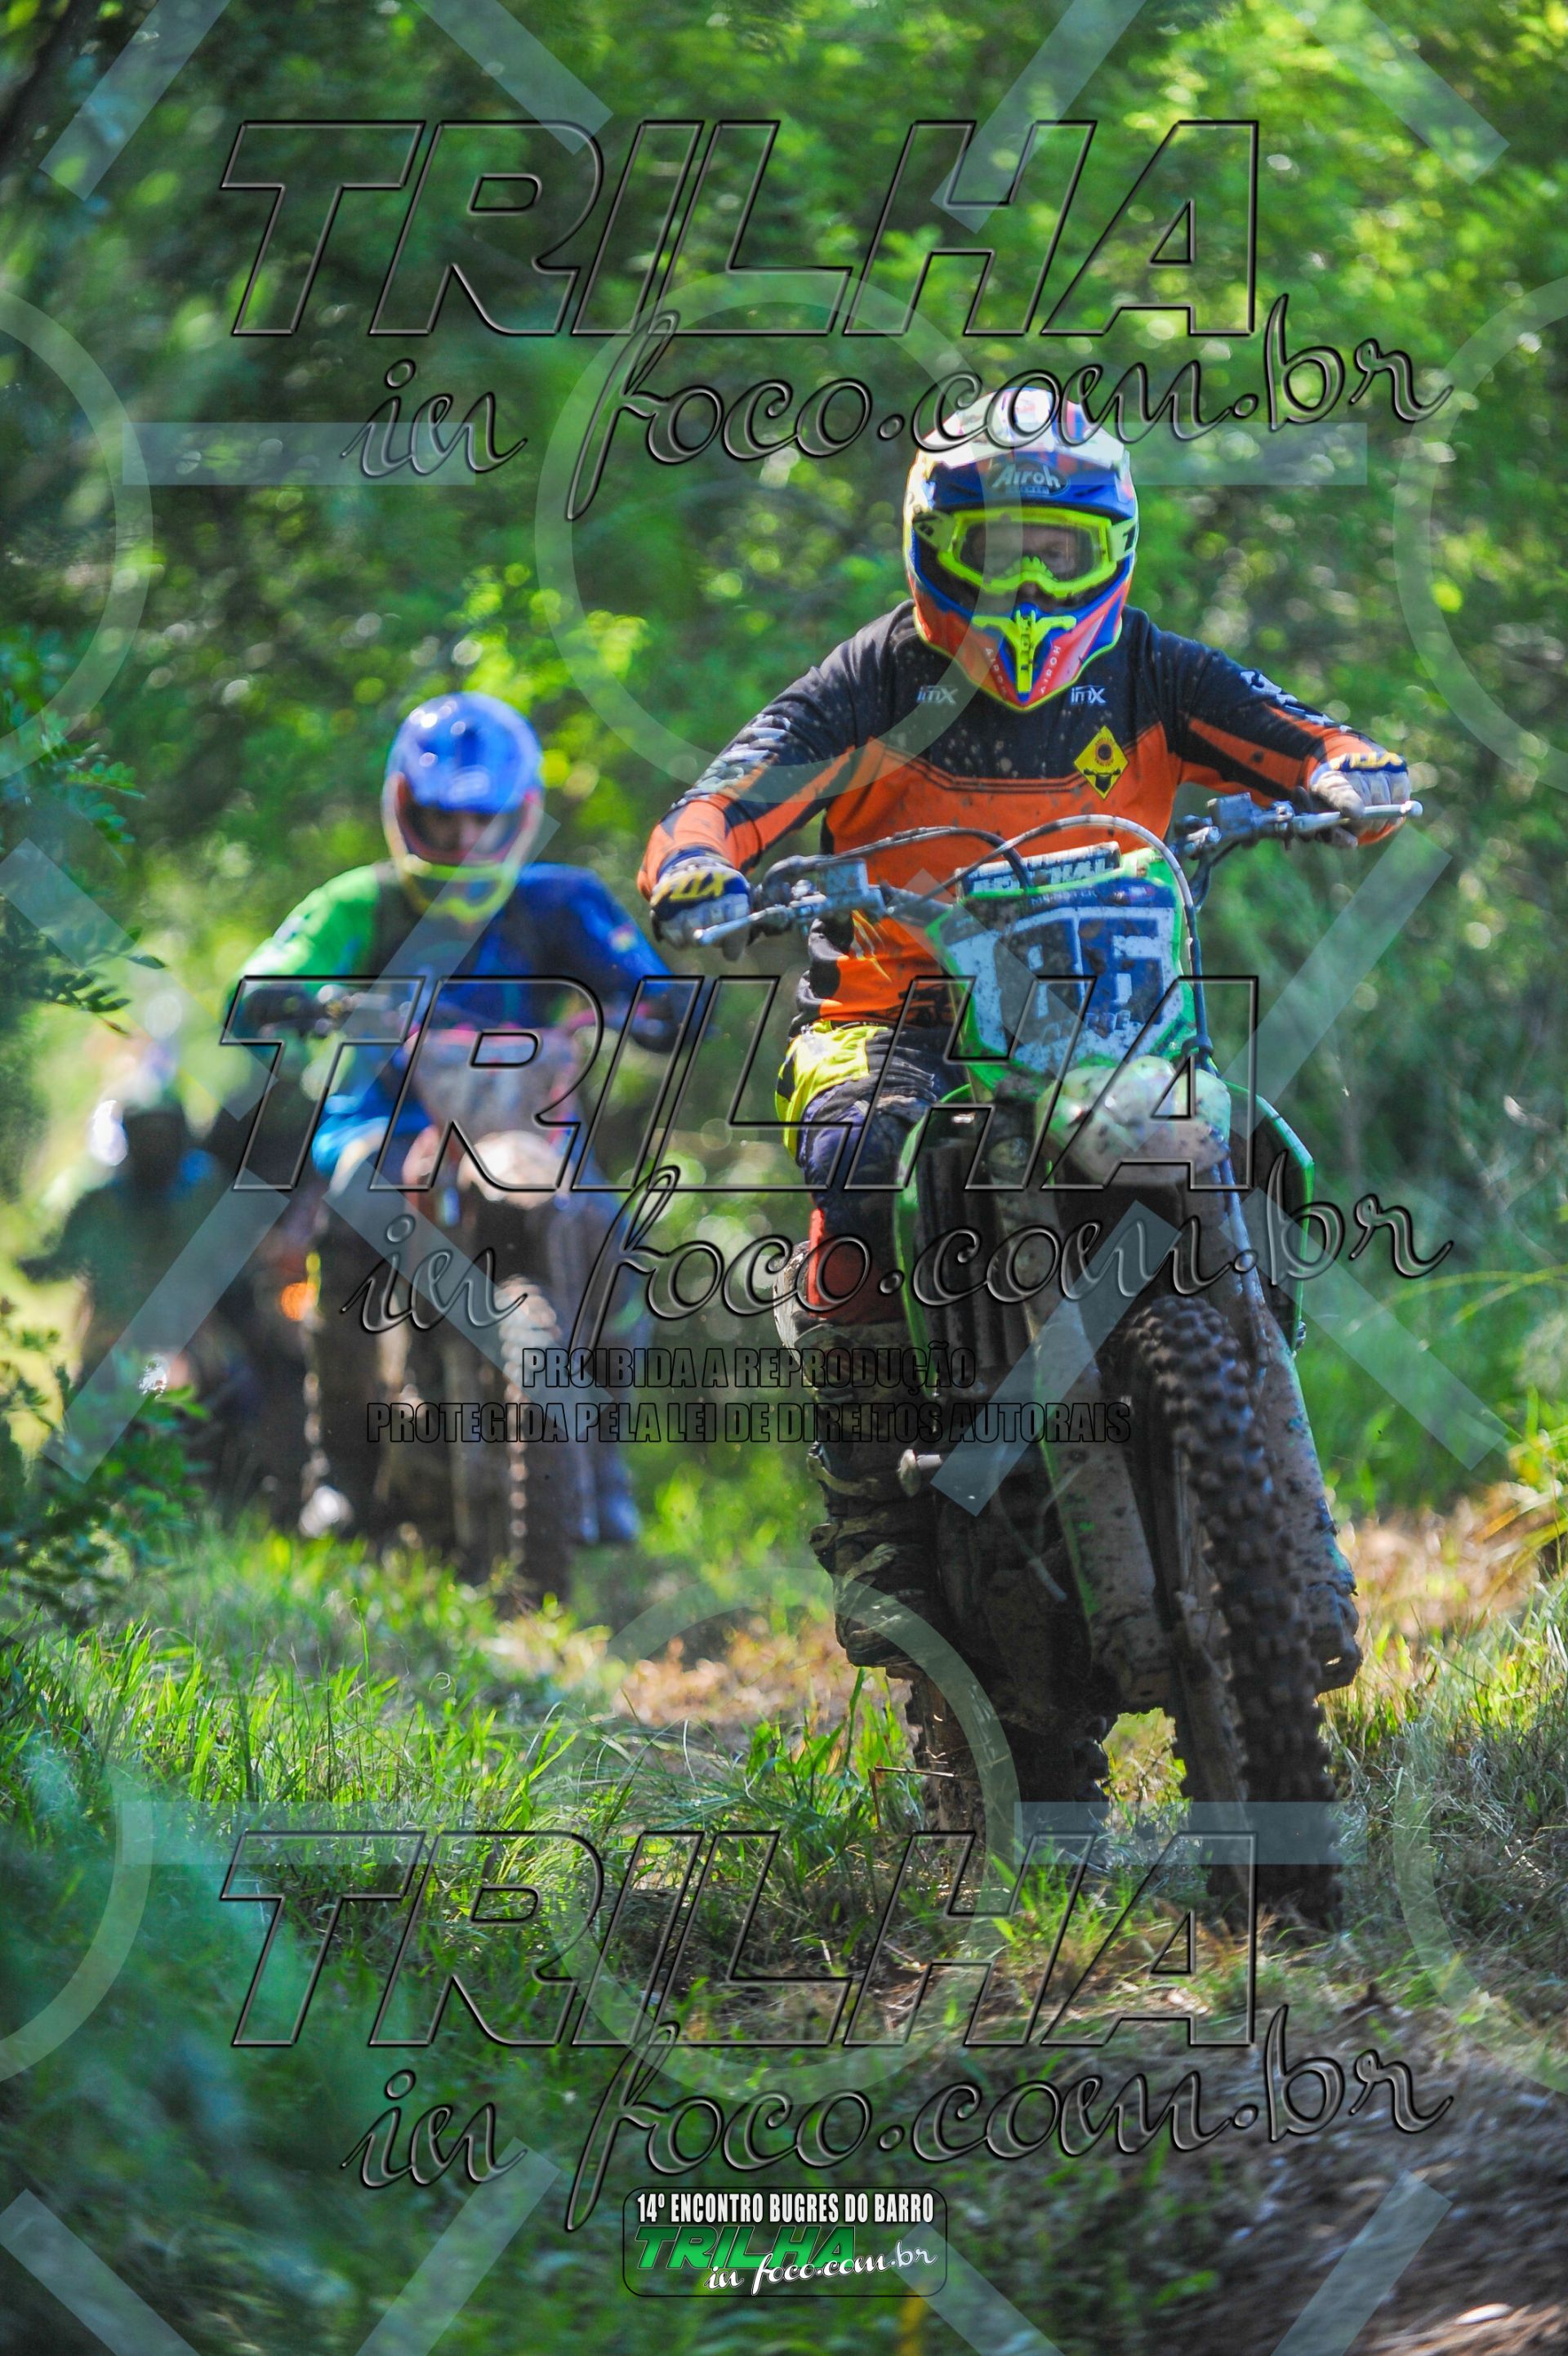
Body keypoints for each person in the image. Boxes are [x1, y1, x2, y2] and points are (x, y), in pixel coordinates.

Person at [639, 392, 1411, 1673]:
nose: (1031, 586)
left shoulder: (1154, 672)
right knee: (860, 1173)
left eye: (1059, 552)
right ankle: (874, 1513)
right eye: (998, 553)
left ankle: (1273, 1487)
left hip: (1105, 1008)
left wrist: (1352, 773)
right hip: (897, 1014)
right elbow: (728, 792)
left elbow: (1304, 737)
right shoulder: (877, 681)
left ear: (1113, 549)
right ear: (931, 548)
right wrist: (696, 864)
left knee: (1245, 1150)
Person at [241, 689, 674, 1542]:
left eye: (484, 819)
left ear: (520, 815)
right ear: (407, 809)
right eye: (444, 818)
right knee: (353, 1213)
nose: (466, 839)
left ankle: (604, 1462)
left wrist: (648, 1009)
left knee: (609, 1233)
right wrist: (300, 999)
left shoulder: (562, 903)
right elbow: (266, 981)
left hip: (529, 1130)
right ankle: (343, 1470)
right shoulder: (358, 906)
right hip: (389, 1123)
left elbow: (653, 990)